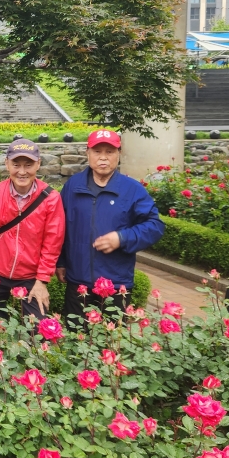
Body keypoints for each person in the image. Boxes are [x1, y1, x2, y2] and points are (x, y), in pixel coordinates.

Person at [57, 130, 164, 322]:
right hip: (78, 283)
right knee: (76, 336)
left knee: (112, 338)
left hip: (115, 284)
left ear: (119, 154)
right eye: (97, 151)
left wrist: (122, 238)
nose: (103, 158)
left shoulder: (132, 190)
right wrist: (61, 262)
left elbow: (155, 225)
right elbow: (60, 227)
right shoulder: (73, 186)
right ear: (87, 152)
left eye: (110, 152)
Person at [0, 139, 65, 320]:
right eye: (16, 165)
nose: (22, 172)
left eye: (28, 165)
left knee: (37, 329)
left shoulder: (51, 198)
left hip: (30, 275)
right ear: (7, 164)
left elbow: (52, 242)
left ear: (38, 164)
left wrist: (42, 280)